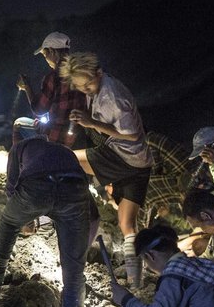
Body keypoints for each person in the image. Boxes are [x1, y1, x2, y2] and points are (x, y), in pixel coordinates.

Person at [0, 132, 97, 307]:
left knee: (8, 223)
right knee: (74, 271)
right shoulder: (65, 152)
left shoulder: (20, 147)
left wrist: (25, 220)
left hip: (37, 187)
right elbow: (93, 216)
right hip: (75, 192)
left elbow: (11, 189)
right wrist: (78, 252)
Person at [61, 52, 154, 288]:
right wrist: (86, 119)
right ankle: (136, 283)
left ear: (99, 73)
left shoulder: (112, 95)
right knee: (127, 225)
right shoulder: (99, 88)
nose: (86, 90)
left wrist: (92, 123)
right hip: (140, 164)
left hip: (123, 156)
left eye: (88, 84)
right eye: (81, 87)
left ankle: (57, 209)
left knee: (67, 158)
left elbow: (132, 133)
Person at [14, 32, 86, 148]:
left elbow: (39, 110)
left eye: (45, 55)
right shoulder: (82, 72)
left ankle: (20, 163)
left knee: (19, 123)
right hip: (79, 137)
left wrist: (27, 87)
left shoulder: (53, 77)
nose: (46, 59)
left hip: (55, 138)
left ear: (52, 52)